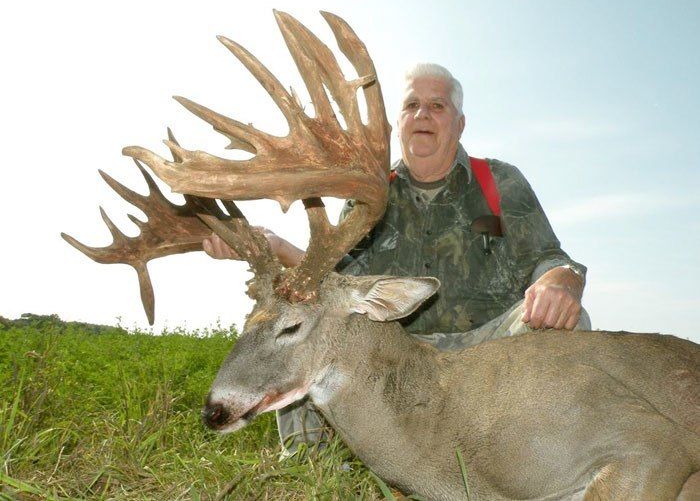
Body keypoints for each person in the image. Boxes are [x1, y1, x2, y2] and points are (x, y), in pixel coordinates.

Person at [203, 63, 589, 451]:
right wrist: (276, 247)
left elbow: (549, 257)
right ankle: (311, 465)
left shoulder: (499, 182)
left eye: (437, 105)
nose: (423, 114)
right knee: (307, 334)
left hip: (487, 353)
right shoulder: (367, 198)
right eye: (412, 105)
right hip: (397, 357)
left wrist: (562, 277)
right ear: (397, 123)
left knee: (563, 324)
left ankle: (540, 459)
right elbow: (335, 287)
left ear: (459, 124)